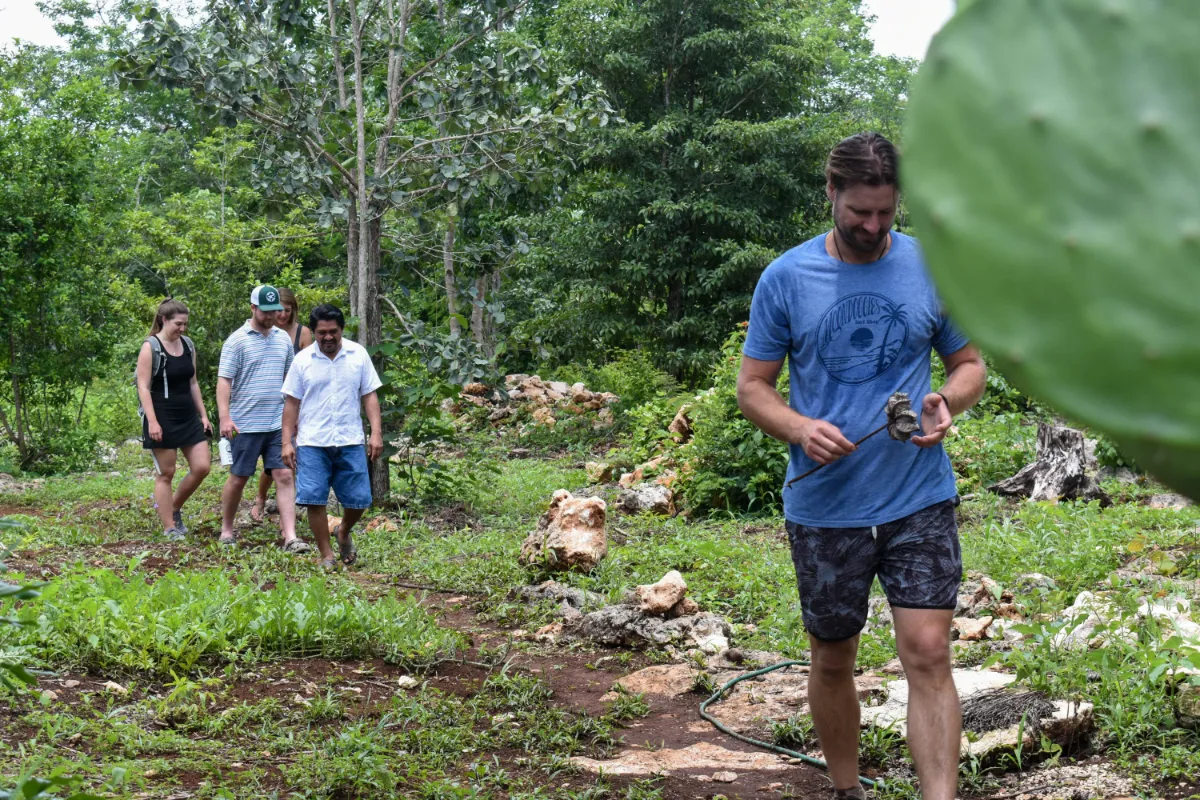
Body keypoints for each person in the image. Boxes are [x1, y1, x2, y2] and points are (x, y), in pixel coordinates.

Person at [736, 132, 987, 800]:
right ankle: (848, 791)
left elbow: (970, 365)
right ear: (831, 195)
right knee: (833, 655)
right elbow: (752, 386)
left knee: (929, 652)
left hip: (917, 495)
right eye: (859, 214)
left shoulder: (931, 266)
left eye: (886, 213)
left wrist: (946, 402)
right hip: (825, 507)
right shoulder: (786, 279)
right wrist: (798, 427)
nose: (874, 227)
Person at [281, 304, 383, 570]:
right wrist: (285, 443)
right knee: (314, 498)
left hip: (350, 438)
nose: (328, 337)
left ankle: (343, 531)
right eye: (322, 332)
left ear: (342, 330)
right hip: (313, 441)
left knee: (359, 498)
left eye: (333, 332)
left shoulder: (357, 355)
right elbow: (291, 403)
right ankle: (326, 555)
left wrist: (376, 433)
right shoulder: (302, 360)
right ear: (313, 332)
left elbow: (369, 394)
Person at [216, 285, 311, 553]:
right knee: (239, 476)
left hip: (276, 423)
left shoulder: (282, 339)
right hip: (245, 423)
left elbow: (290, 381)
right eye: (266, 311)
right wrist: (225, 417)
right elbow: (224, 381)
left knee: (283, 475)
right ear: (253, 308)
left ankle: (290, 537)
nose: (271, 316)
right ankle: (226, 529)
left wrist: (296, 417)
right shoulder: (237, 340)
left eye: (275, 311)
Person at [136, 299, 212, 539]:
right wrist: (153, 422)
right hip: (162, 415)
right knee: (166, 473)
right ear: (164, 320)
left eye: (185, 324)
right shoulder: (151, 347)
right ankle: (169, 526)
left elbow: (193, 382)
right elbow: (143, 387)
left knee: (202, 467)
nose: (182, 328)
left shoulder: (188, 345)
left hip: (187, 415)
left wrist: (203, 415)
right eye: (178, 323)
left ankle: (174, 506)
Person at [250, 287, 313, 523]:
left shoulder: (302, 333)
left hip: (297, 400)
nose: (282, 315)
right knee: (273, 459)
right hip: (271, 401)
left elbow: (309, 367)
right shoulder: (266, 333)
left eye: (287, 311)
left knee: (290, 456)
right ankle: (261, 496)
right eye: (280, 310)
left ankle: (291, 502)